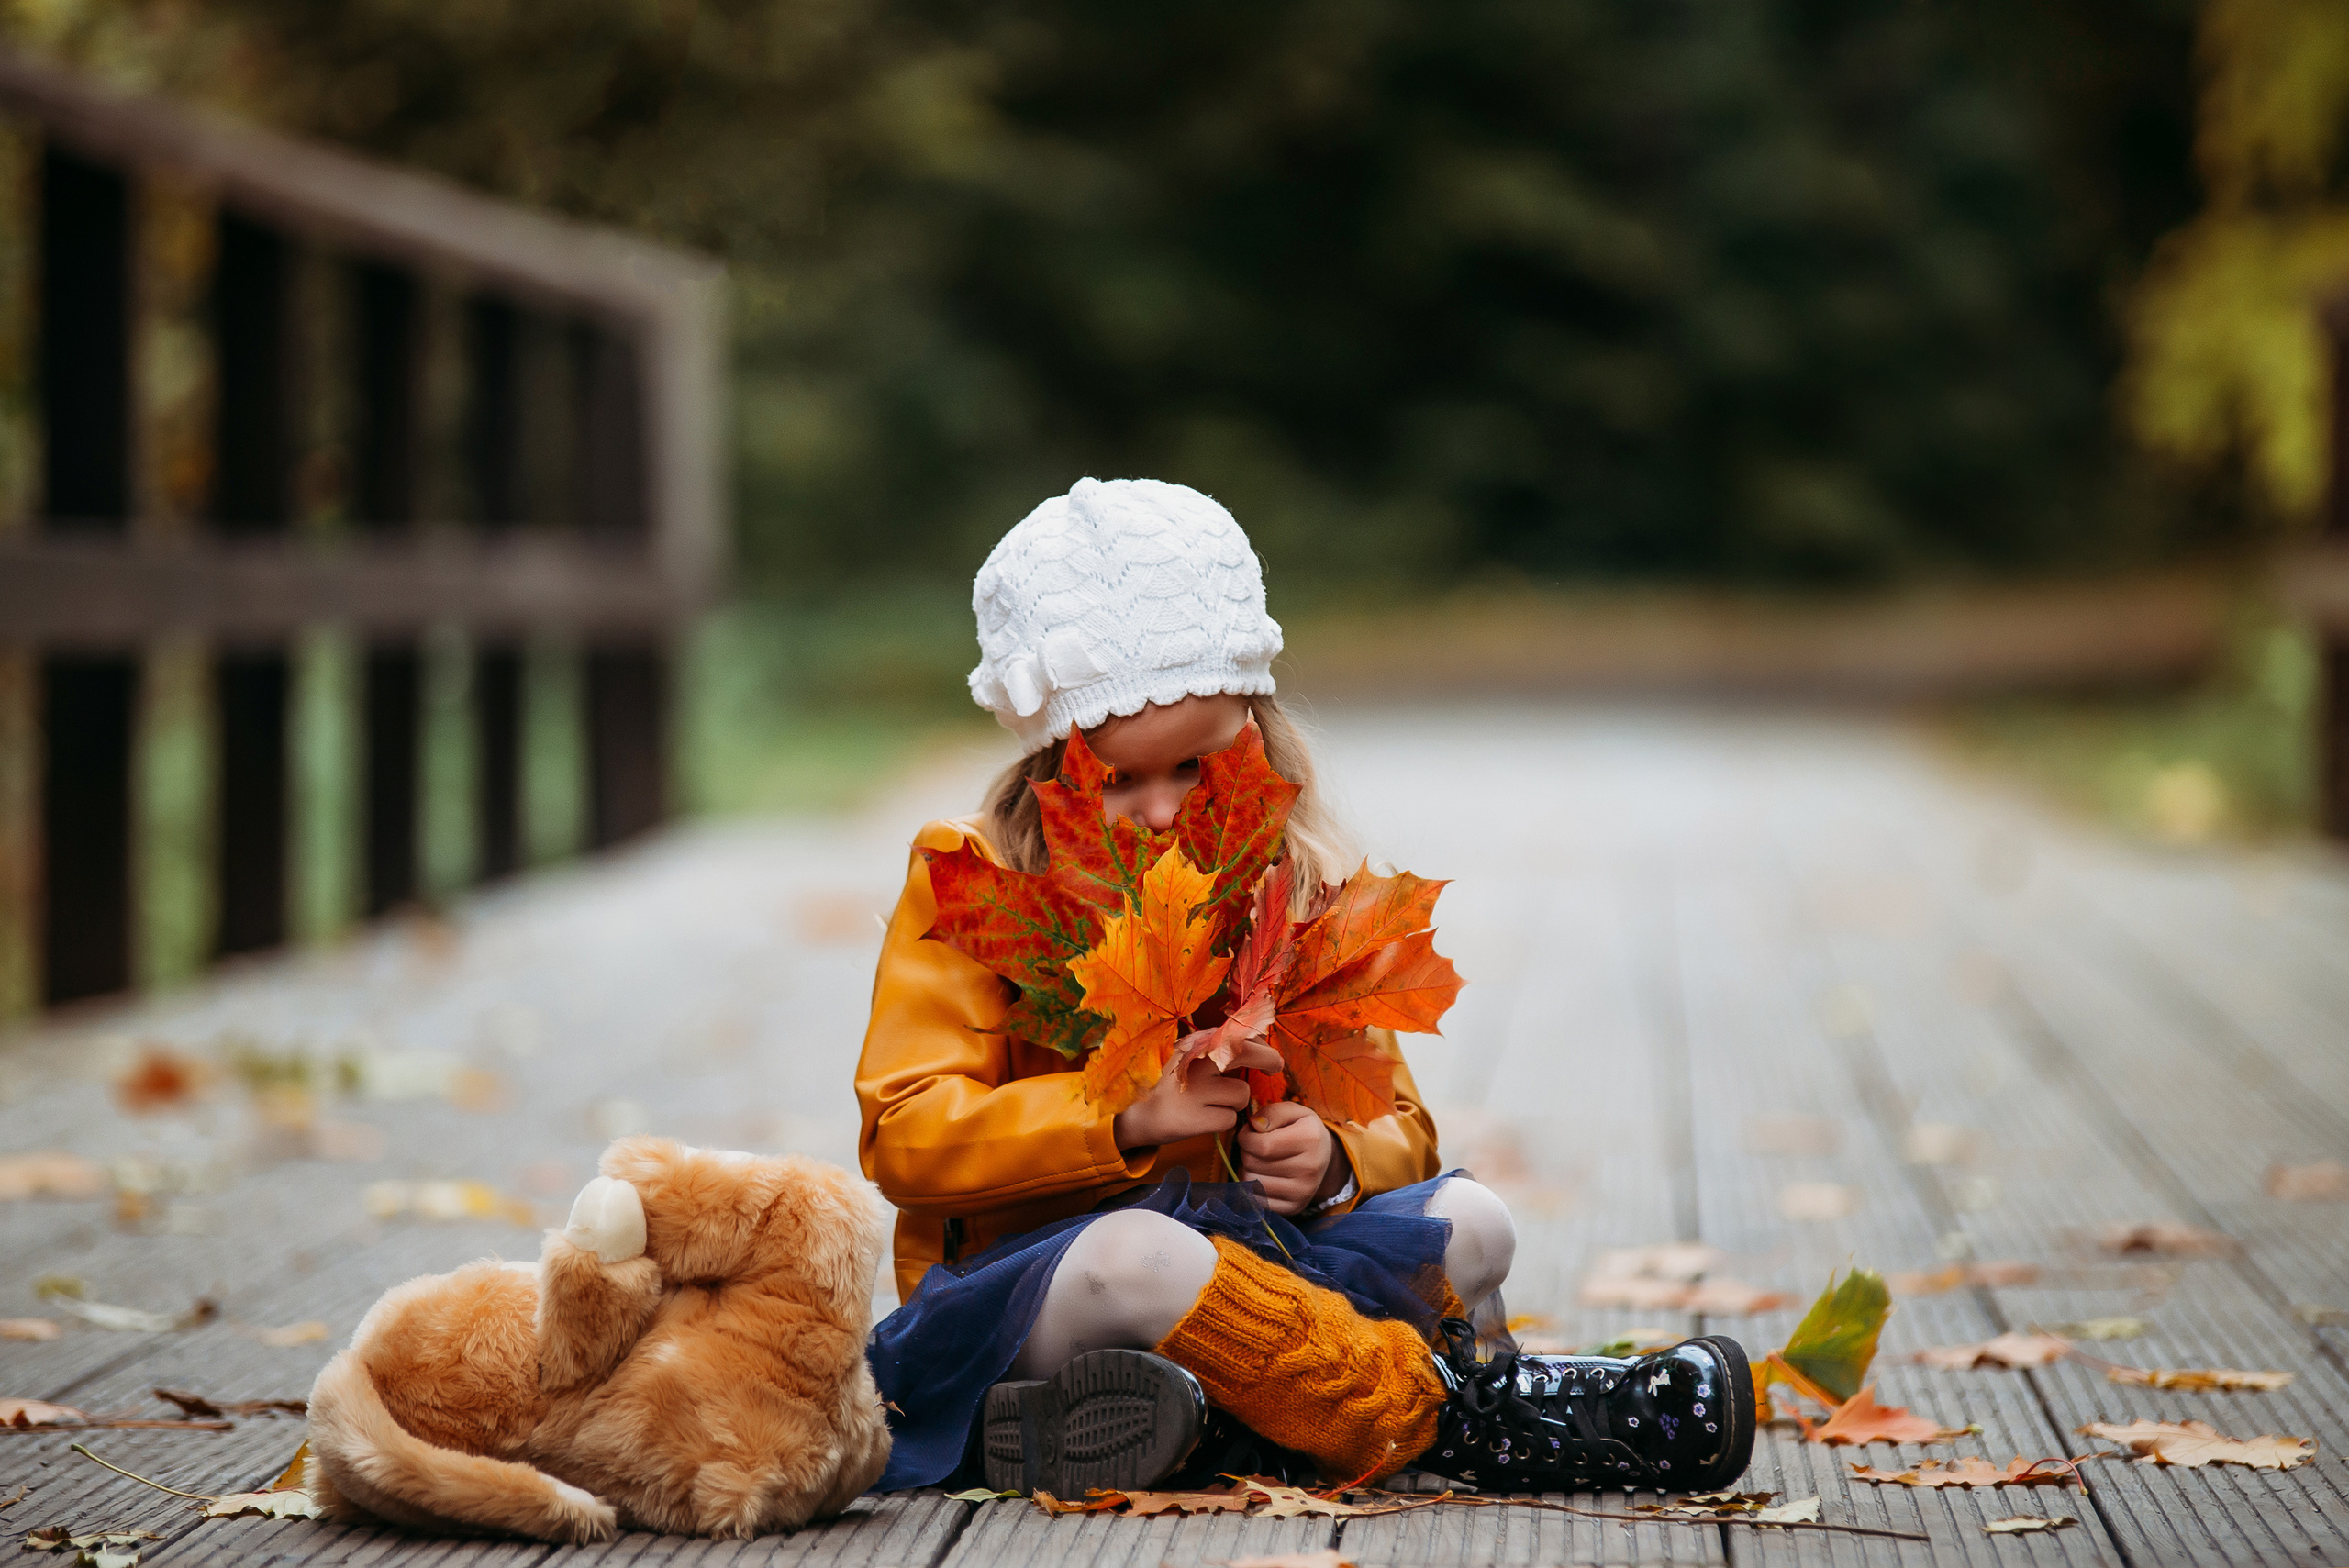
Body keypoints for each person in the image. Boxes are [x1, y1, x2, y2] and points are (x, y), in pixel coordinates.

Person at [857, 478, 1753, 1497]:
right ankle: (1449, 1414)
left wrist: (1331, 1162)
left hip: (1272, 1267)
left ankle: (1199, 1418)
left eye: (1194, 768)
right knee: (1143, 1250)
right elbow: (905, 1132)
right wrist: (1125, 1115)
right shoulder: (979, 886)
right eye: (1113, 779)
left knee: (1475, 1217)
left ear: (1254, 729)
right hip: (1029, 1298)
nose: (1158, 810)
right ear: (1044, 763)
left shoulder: (1299, 886)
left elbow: (1401, 1124)